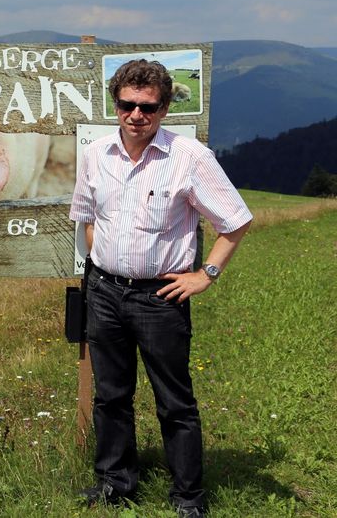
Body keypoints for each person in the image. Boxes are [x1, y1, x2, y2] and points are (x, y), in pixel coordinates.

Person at [69, 59, 252, 518]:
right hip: (105, 292)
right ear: (116, 104)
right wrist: (102, 268)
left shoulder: (190, 158)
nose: (136, 115)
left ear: (165, 107)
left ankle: (188, 496)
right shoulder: (96, 155)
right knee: (110, 395)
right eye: (127, 105)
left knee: (174, 401)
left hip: (160, 297)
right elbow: (88, 219)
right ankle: (115, 483)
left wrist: (204, 274)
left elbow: (235, 221)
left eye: (147, 107)